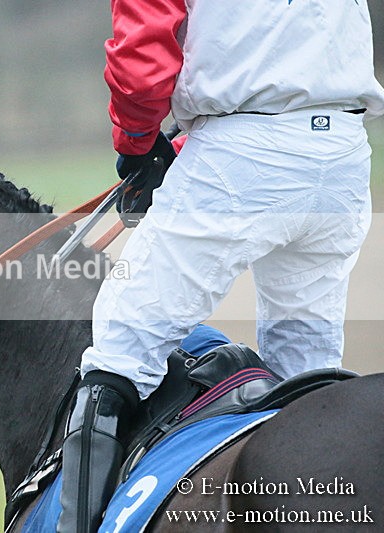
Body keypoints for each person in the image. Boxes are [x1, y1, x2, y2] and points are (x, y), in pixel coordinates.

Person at [57, 1, 384, 531]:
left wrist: (138, 144)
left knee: (119, 348)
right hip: (343, 155)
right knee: (306, 370)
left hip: (246, 151)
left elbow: (143, 49)